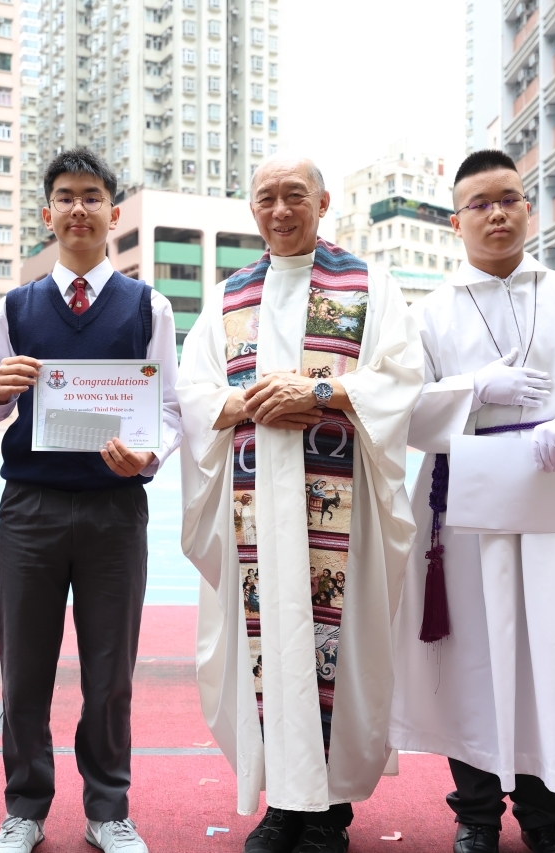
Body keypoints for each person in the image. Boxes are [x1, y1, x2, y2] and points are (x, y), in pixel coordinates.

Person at [389, 150, 555, 853]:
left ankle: (547, 819)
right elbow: (398, 406)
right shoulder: (429, 314)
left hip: (554, 499)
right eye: (479, 204)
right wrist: (473, 390)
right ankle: (476, 816)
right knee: (472, 660)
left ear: (528, 207)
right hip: (464, 510)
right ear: (456, 222)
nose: (497, 214)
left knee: (552, 652)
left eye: (508, 199)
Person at [177, 155, 423, 853]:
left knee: (332, 646)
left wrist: (318, 391)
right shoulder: (229, 297)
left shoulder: (369, 286)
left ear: (323, 201)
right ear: (252, 209)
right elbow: (193, 392)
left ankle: (327, 810)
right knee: (270, 649)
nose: (280, 210)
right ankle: (282, 806)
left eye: (294, 196)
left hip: (336, 505)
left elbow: (403, 376)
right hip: (254, 505)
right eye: (266, 198)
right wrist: (247, 402)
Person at [0, 148, 181, 853]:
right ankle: (25, 808)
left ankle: (108, 807)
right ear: (47, 212)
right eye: (66, 196)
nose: (79, 208)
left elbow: (170, 409)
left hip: (115, 509)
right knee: (23, 668)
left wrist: (150, 455)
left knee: (110, 671)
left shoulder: (148, 306)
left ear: (113, 214)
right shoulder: (16, 306)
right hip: (30, 507)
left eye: (92, 196)